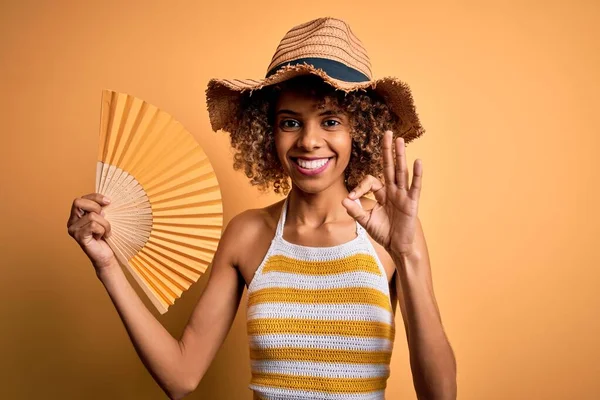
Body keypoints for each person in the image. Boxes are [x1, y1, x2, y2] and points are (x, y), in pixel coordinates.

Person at [67, 17, 456, 400]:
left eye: (331, 121)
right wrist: (107, 266)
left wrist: (406, 253)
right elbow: (180, 376)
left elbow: (441, 396)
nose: (309, 140)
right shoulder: (247, 234)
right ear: (267, 132)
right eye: (290, 122)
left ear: (360, 130)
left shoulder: (389, 235)